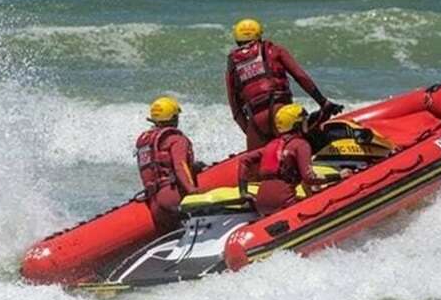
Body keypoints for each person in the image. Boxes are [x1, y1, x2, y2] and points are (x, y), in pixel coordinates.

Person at [226, 18, 344, 150]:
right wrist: (323, 102)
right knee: (311, 145)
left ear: (237, 40)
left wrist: (251, 132)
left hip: (256, 121)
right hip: (281, 112)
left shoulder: (233, 66)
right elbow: (300, 77)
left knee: (257, 165)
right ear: (259, 35)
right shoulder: (275, 50)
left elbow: (235, 109)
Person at [237, 103, 325, 216]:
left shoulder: (270, 146)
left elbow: (244, 160)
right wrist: (338, 176)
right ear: (297, 124)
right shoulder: (301, 145)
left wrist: (243, 192)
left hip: (261, 203)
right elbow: (309, 178)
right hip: (284, 202)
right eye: (304, 120)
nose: (306, 122)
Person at [136, 96, 200, 234]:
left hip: (154, 204)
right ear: (173, 118)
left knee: (172, 237)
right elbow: (180, 166)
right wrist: (192, 191)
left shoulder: (146, 142)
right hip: (172, 196)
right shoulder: (175, 139)